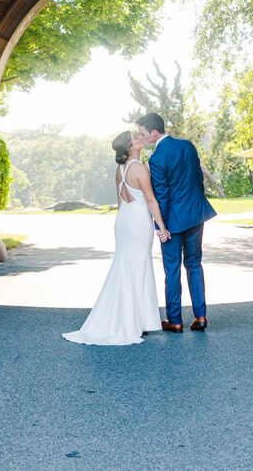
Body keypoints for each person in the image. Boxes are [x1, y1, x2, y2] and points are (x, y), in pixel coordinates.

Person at [62, 131, 166, 345]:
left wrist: (122, 223)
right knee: (139, 266)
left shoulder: (119, 169)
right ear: (129, 147)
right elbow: (150, 200)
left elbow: (121, 201)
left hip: (123, 221)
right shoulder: (139, 168)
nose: (139, 138)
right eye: (134, 138)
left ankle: (130, 319)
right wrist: (161, 227)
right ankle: (135, 321)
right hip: (138, 222)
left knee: (124, 267)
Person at [136, 112, 216, 333]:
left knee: (172, 269)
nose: (141, 137)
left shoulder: (157, 158)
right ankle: (200, 317)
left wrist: (160, 226)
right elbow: (198, 179)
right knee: (194, 265)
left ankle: (175, 321)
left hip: (172, 221)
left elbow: (161, 196)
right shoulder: (187, 146)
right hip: (195, 214)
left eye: (143, 133)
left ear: (154, 132)